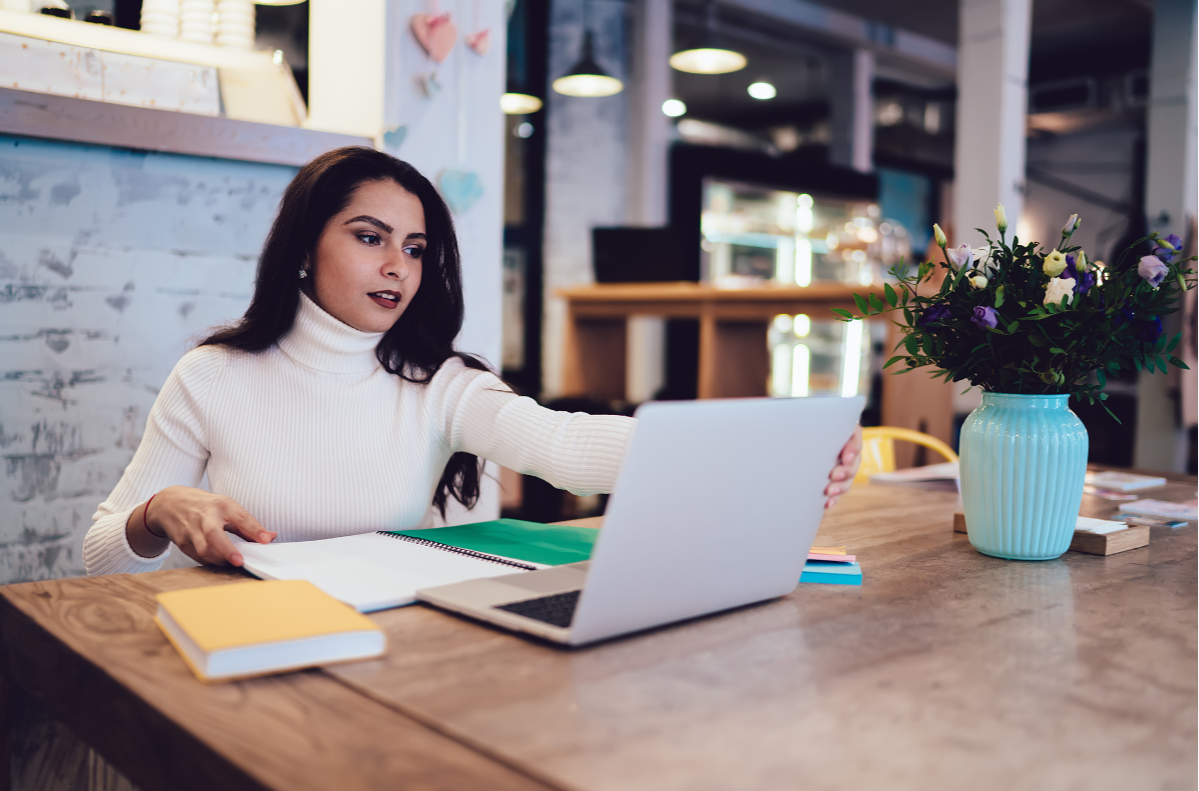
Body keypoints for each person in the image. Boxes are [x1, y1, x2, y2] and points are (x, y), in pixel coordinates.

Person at [83, 147, 862, 576]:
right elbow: (99, 553)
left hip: (383, 647)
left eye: (414, 248)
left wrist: (767, 450)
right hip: (239, 648)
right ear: (303, 246)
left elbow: (565, 445)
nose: (397, 265)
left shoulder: (440, 384)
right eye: (368, 236)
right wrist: (159, 513)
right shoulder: (213, 376)